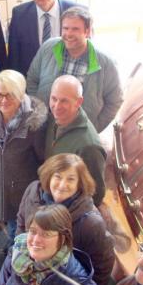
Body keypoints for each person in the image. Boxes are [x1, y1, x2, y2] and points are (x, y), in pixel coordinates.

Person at [16, 153, 116, 285]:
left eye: (70, 179)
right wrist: (18, 254)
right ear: (49, 175)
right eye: (58, 176)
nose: (62, 185)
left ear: (79, 184)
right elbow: (21, 222)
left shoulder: (91, 223)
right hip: (28, 275)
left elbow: (103, 263)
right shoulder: (33, 191)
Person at [26, 6, 123, 132]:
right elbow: (32, 79)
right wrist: (38, 111)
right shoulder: (48, 48)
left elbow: (115, 101)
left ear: (87, 31)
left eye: (75, 29)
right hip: (45, 128)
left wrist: (94, 127)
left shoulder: (106, 63)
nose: (69, 34)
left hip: (78, 132)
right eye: (65, 28)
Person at [0, 70, 47, 240]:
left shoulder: (34, 123)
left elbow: (40, 155)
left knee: (17, 225)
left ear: (22, 94)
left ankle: (13, 249)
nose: (3, 100)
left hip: (21, 186)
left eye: (11, 95)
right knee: (1, 213)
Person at [5, 0, 84, 76]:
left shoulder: (77, 11)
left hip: (68, 79)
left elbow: (88, 50)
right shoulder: (19, 14)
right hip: (33, 83)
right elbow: (14, 58)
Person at [44, 75, 107, 206]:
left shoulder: (89, 146)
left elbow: (96, 194)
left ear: (78, 102)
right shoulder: (54, 120)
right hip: (48, 201)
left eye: (64, 101)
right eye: (54, 99)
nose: (56, 106)